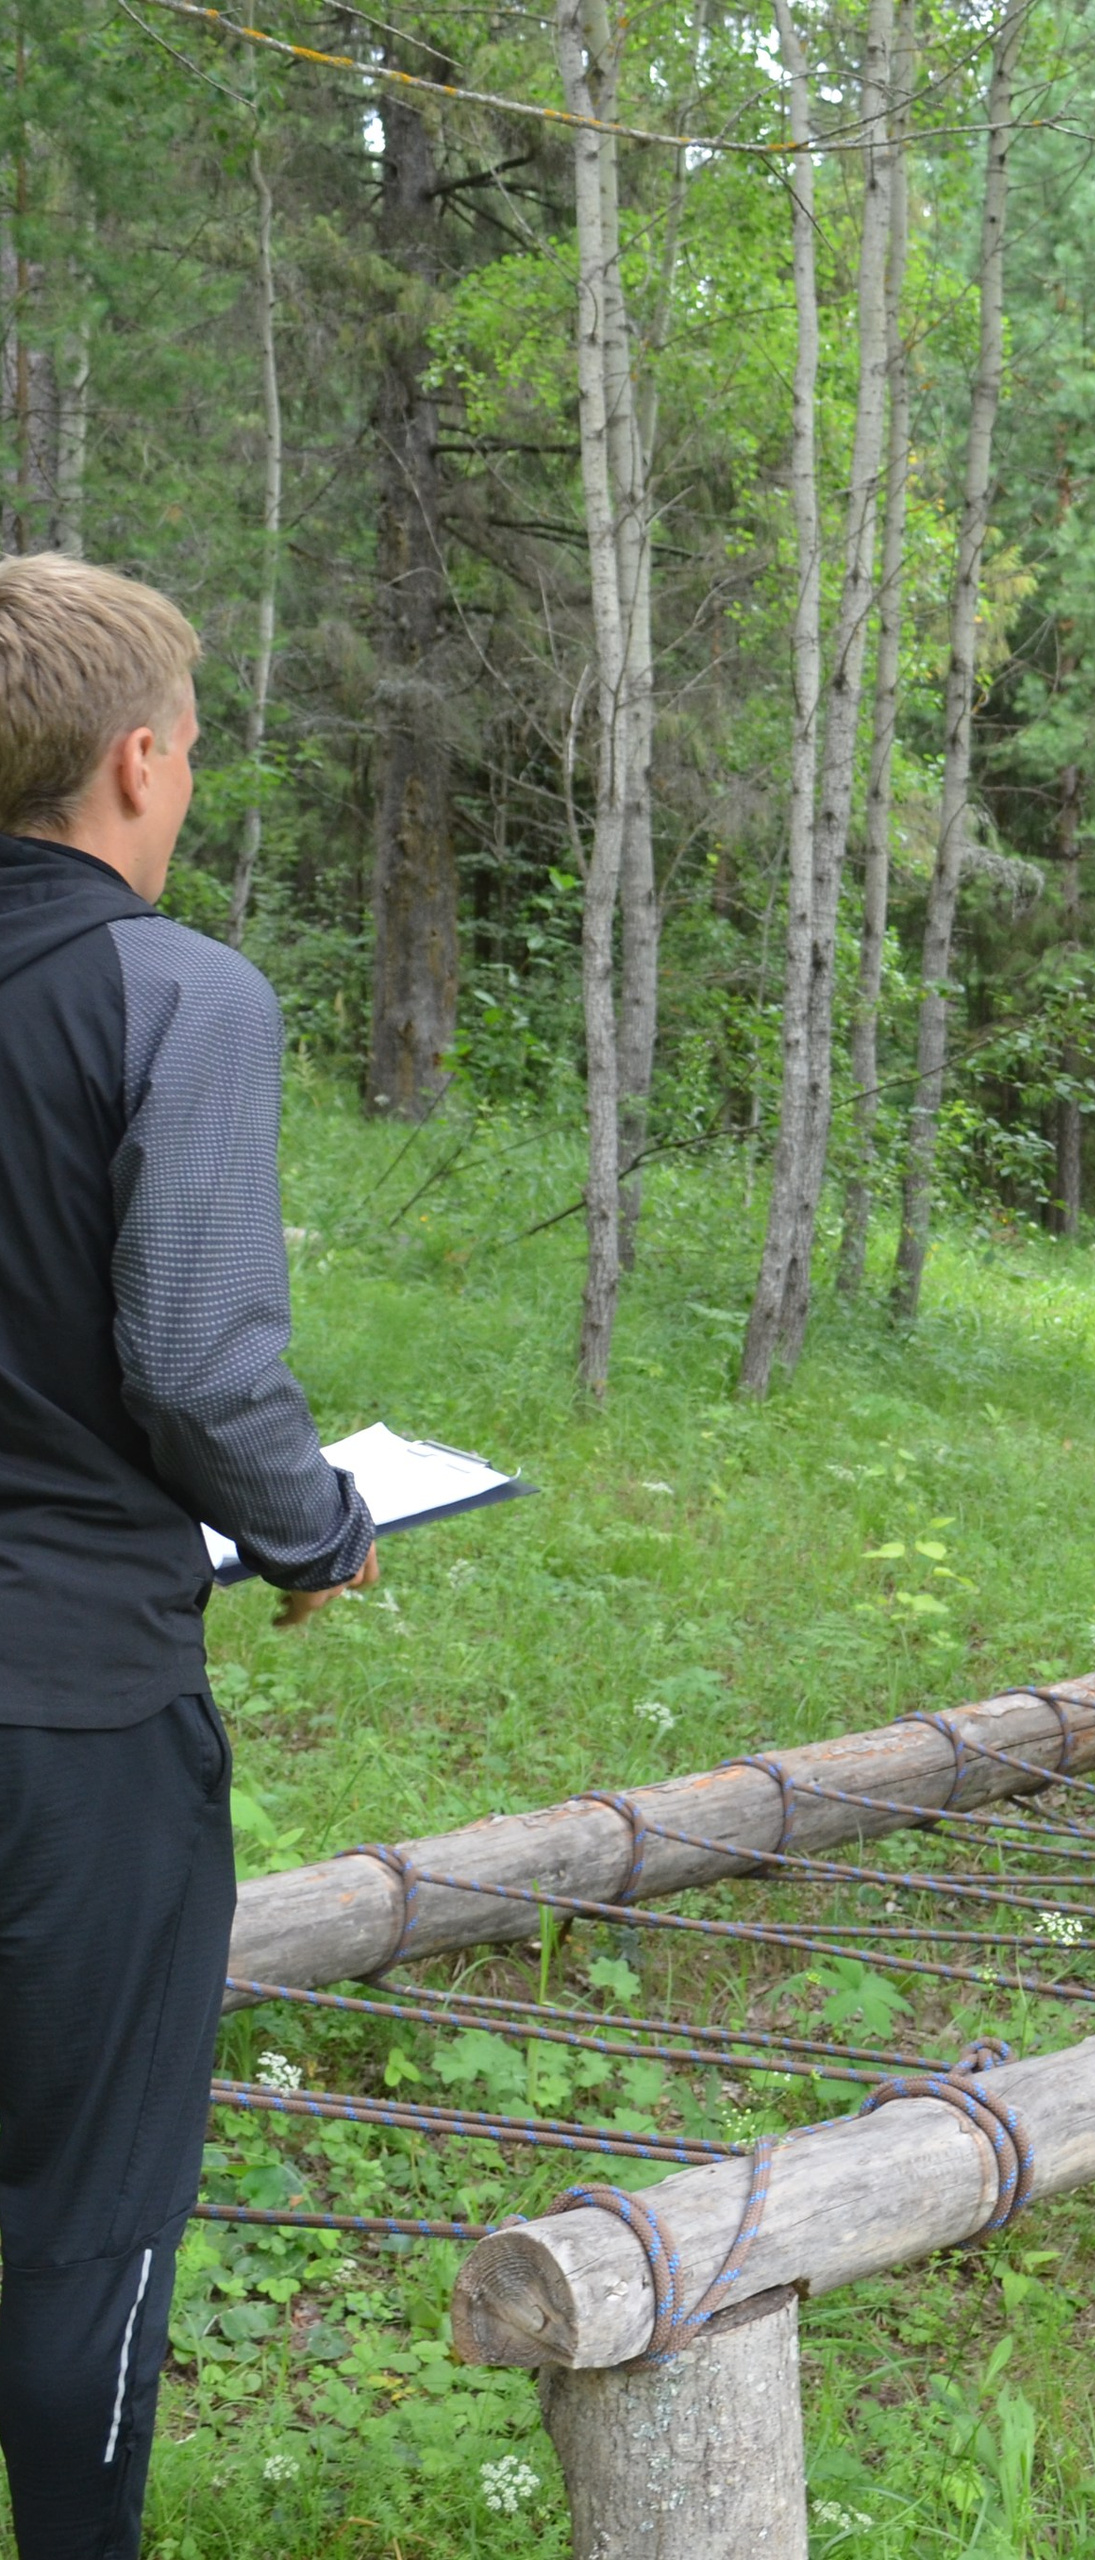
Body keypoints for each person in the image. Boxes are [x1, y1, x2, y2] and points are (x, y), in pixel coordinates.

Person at [0, 552, 377, 2560]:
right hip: (69, 1719)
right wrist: (321, 1521)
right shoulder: (176, 992)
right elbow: (198, 1355)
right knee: (91, 2201)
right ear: (137, 759)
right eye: (200, 751)